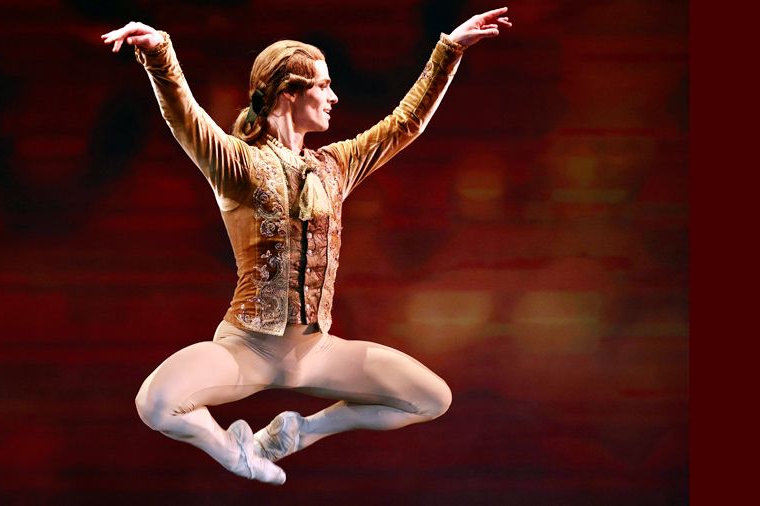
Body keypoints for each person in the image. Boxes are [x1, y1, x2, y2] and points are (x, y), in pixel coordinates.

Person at [101, 7, 511, 485]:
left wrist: (449, 50)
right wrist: (159, 55)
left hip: (317, 352)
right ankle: (235, 453)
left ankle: (296, 432)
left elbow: (405, 124)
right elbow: (187, 120)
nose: (334, 96)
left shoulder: (335, 166)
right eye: (323, 85)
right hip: (248, 349)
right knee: (156, 403)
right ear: (288, 94)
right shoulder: (240, 166)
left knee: (430, 398)